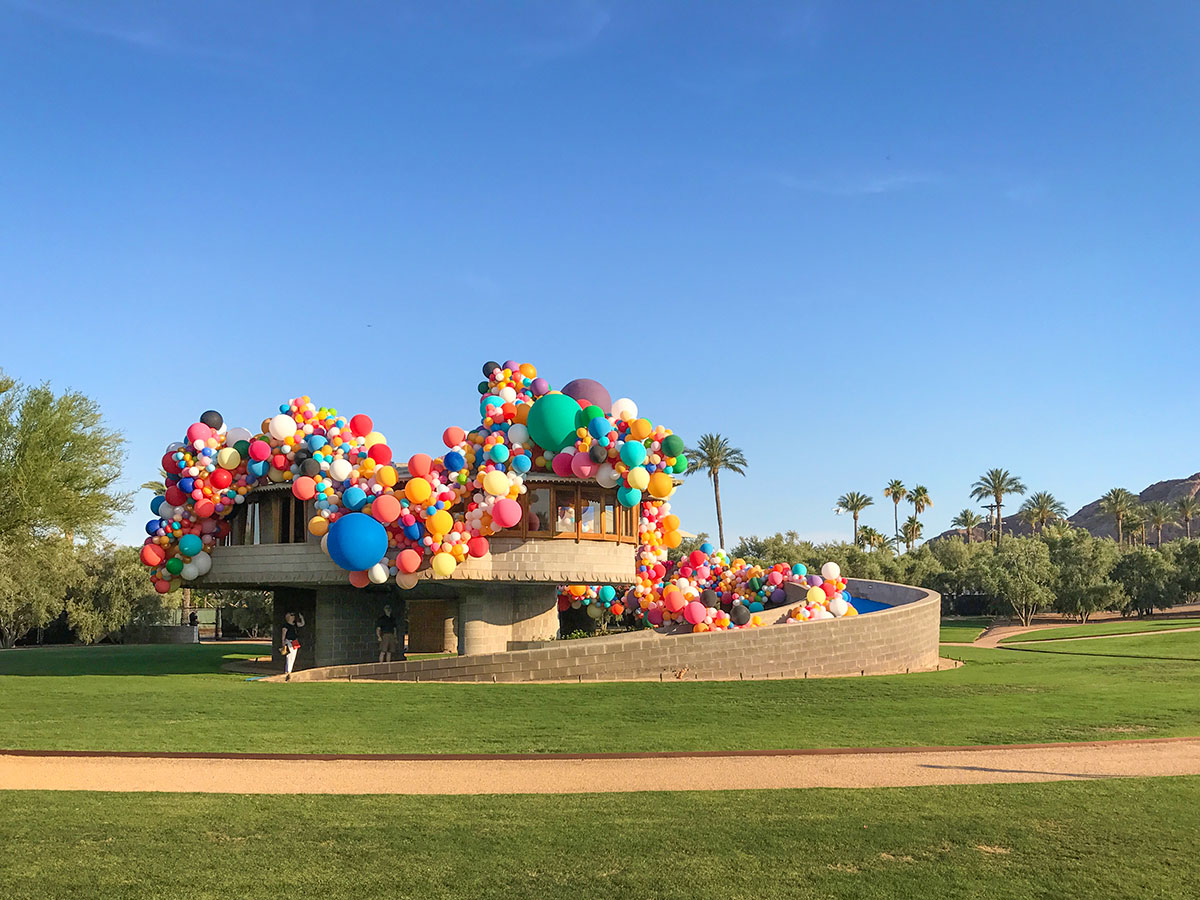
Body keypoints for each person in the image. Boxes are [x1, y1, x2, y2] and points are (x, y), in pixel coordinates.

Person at [279, 611, 304, 681]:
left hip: (294, 642)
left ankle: (290, 671)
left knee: (293, 656)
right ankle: (287, 672)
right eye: (292, 615)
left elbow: (302, 624)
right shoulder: (285, 625)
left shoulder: (294, 624)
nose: (293, 616)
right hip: (289, 641)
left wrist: (301, 617)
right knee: (289, 656)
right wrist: (283, 644)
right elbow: (283, 635)